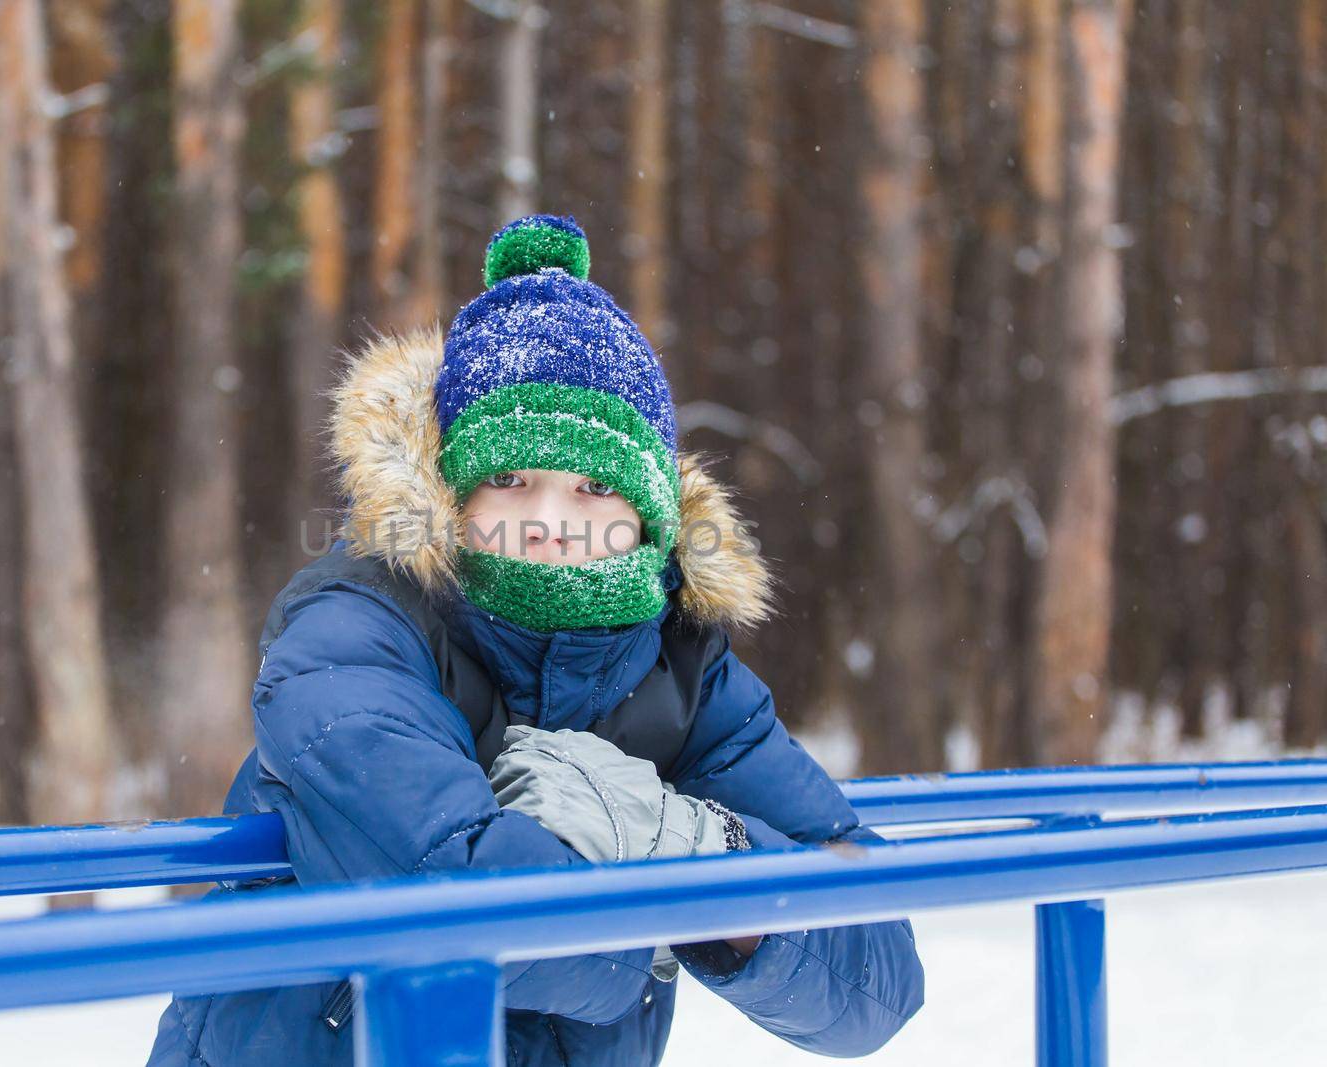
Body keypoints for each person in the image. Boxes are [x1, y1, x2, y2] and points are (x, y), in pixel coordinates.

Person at [146, 213, 925, 1066]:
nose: (552, 524)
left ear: (649, 511)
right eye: (511, 479)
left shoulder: (680, 664)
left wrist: (700, 849)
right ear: (450, 489)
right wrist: (695, 908)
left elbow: (872, 972)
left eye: (594, 486)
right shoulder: (354, 628)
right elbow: (449, 898)